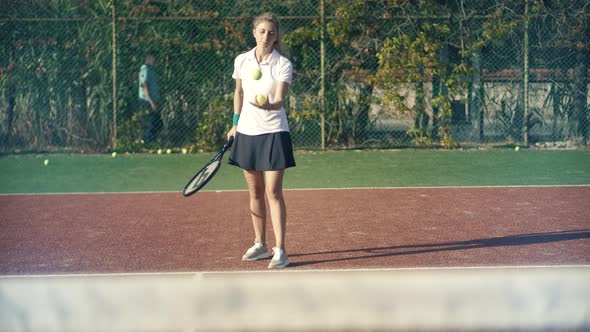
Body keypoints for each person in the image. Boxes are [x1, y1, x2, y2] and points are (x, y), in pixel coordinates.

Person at [226, 13, 295, 269]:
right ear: (254, 32)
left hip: (275, 133)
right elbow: (239, 92)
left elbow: (279, 99)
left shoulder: (282, 64)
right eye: (262, 31)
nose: (267, 36)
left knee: (273, 192)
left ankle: (281, 250)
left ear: (276, 37)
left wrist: (269, 106)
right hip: (247, 132)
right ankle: (260, 244)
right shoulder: (242, 61)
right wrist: (234, 124)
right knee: (254, 192)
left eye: (272, 33)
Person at [138, 52, 161, 145]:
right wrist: (151, 102)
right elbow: (144, 86)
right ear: (149, 58)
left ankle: (152, 142)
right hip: (146, 101)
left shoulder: (151, 70)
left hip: (152, 101)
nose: (155, 60)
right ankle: (147, 143)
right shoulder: (145, 69)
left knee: (157, 123)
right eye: (153, 58)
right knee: (150, 123)